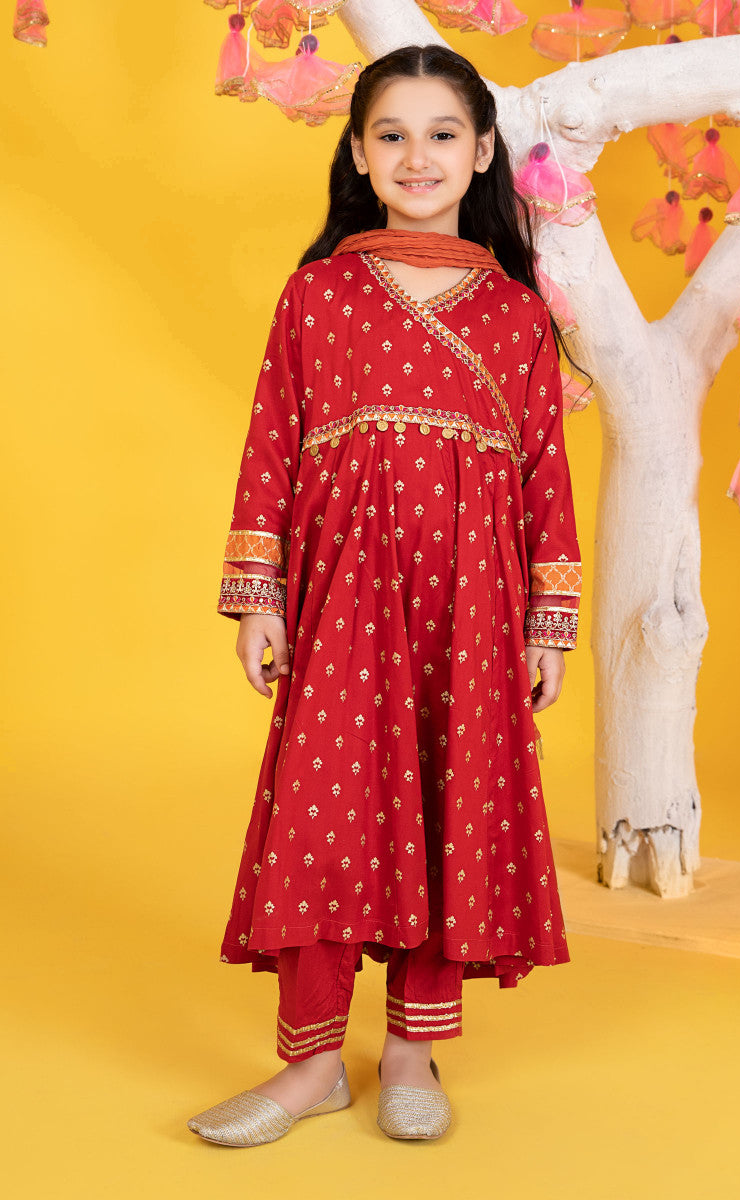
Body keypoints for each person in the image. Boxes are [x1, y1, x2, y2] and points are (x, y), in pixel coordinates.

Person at [188, 42, 582, 1147]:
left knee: (450, 804)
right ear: (358, 154)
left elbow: (544, 474)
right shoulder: (316, 295)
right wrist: (258, 597)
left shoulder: (515, 313)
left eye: (442, 133)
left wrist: (548, 623)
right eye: (392, 135)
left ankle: (413, 1050)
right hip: (341, 598)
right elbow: (270, 447)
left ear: (483, 151)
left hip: (473, 606)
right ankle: (312, 1064)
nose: (418, 156)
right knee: (323, 811)